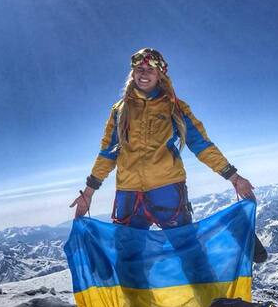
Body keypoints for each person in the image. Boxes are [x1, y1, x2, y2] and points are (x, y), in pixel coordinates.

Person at [69, 47, 256, 228]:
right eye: (139, 69)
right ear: (133, 73)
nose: (144, 74)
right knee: (128, 254)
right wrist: (88, 192)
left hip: (167, 190)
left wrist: (234, 177)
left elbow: (201, 145)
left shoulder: (174, 106)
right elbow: (107, 153)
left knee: (185, 248)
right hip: (129, 192)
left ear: (160, 75)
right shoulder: (120, 110)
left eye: (150, 70)